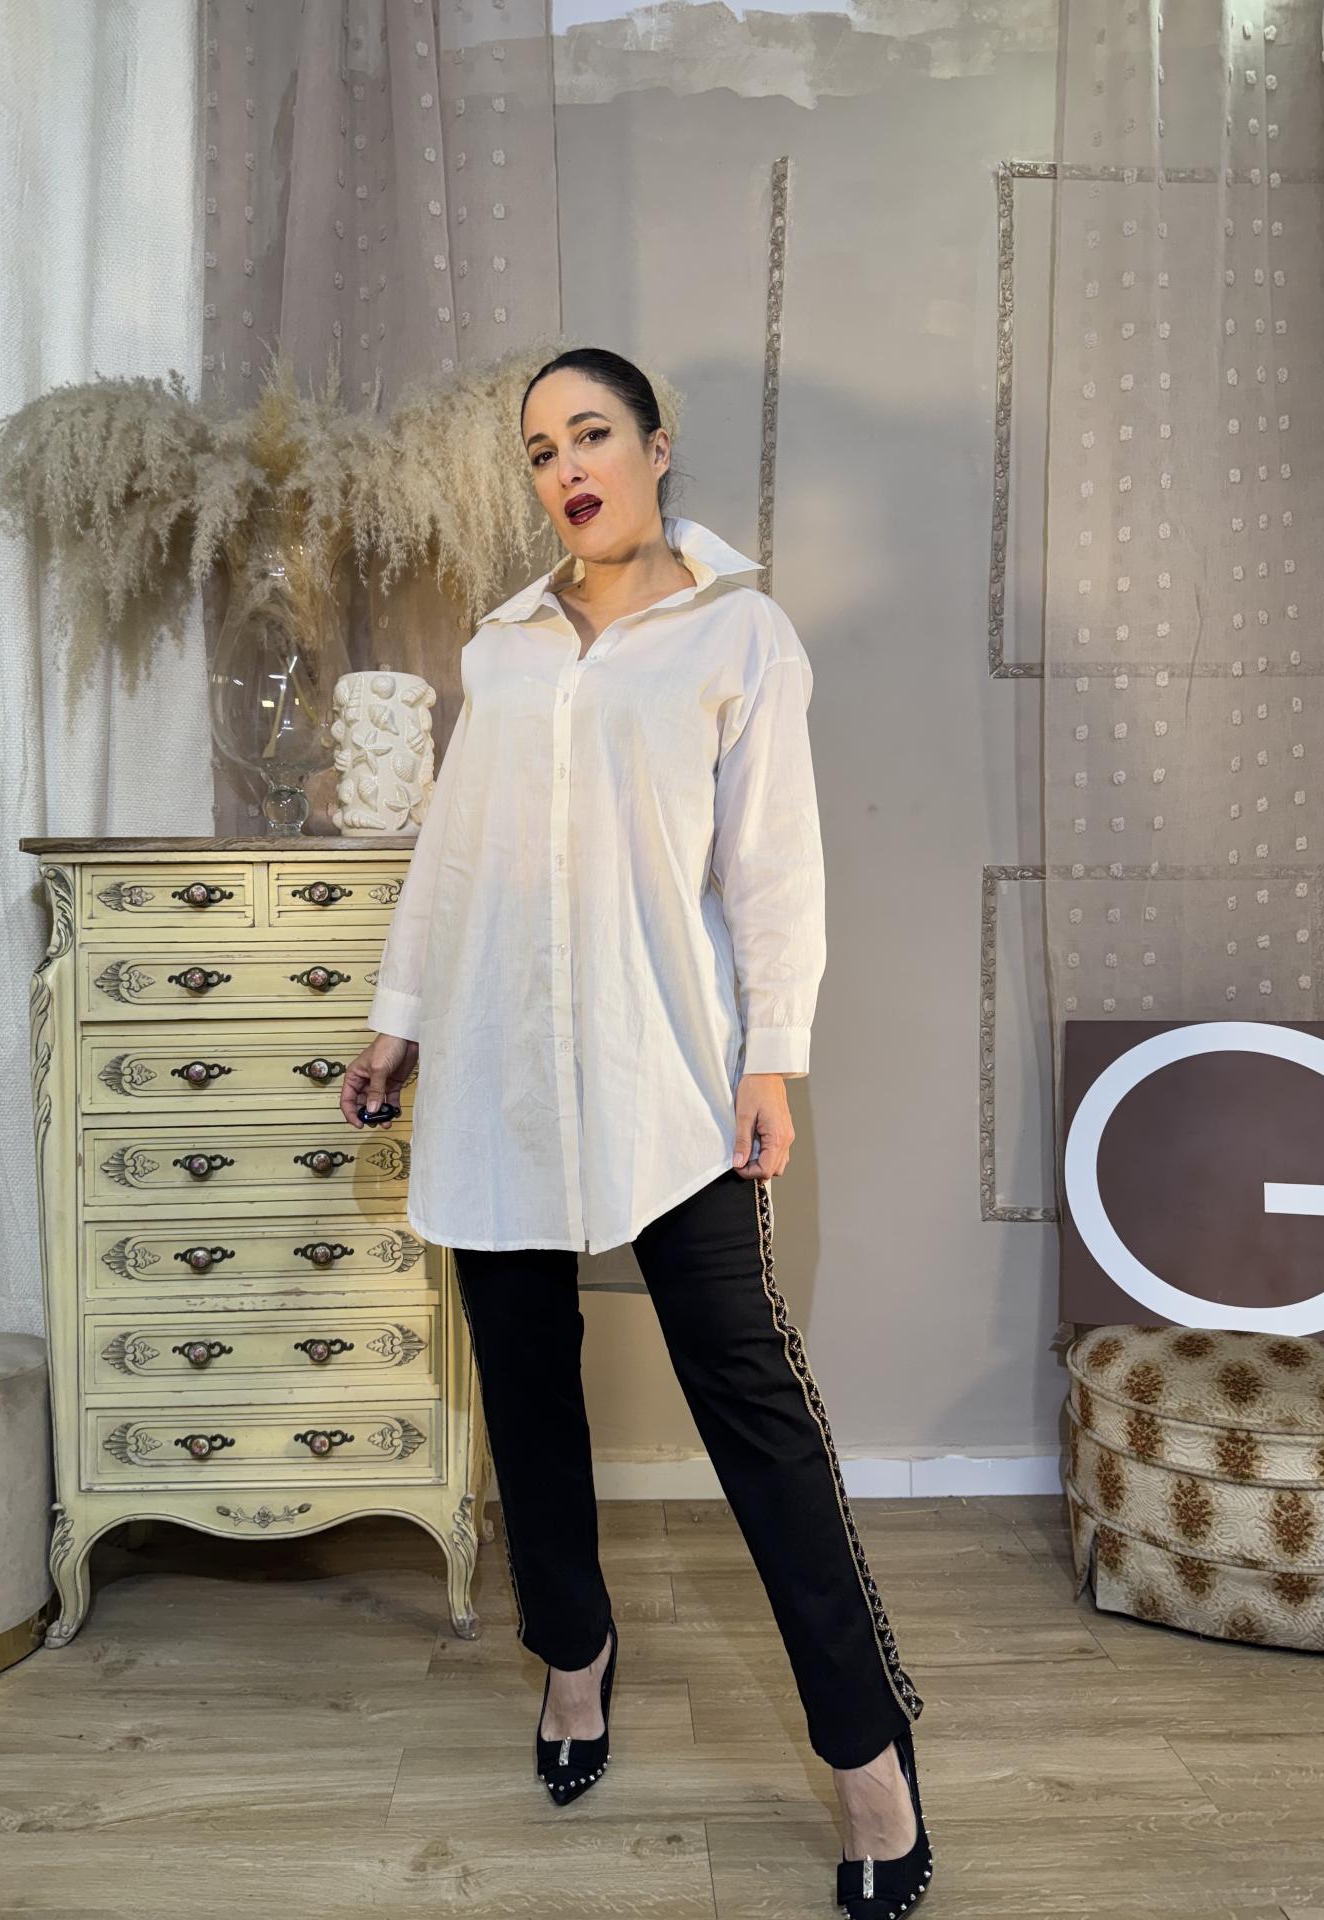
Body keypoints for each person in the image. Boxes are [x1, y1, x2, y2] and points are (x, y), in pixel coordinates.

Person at [339, 347, 933, 1915]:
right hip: (500, 1068)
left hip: (669, 1071)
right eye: (541, 450)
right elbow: (454, 856)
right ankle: (572, 1653)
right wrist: (402, 1018)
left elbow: (775, 868)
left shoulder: (740, 633)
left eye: (590, 434)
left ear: (657, 448)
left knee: (754, 1405)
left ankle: (868, 1753)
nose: (566, 469)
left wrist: (773, 1057)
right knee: (528, 1391)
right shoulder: (506, 649)